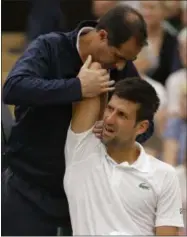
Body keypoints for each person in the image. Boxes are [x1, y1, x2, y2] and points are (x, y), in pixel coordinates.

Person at [2, 5, 148, 236]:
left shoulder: (123, 68)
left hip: (85, 196)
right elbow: (13, 88)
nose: (120, 66)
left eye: (128, 60)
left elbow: (146, 122)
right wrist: (77, 88)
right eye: (118, 56)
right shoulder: (50, 46)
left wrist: (118, 132)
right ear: (102, 36)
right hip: (29, 187)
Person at [64, 71, 184, 235]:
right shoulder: (82, 151)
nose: (109, 119)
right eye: (110, 109)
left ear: (141, 127)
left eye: (121, 115)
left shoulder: (165, 175)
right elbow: (93, 65)